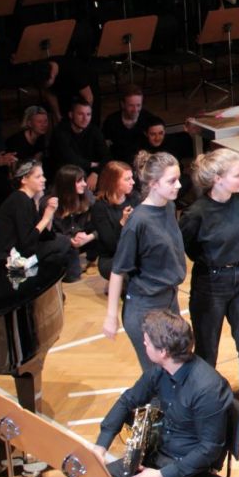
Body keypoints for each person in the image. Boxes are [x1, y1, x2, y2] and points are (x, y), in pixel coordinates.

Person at [74, 309, 233, 477]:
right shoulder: (160, 370)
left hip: (191, 476)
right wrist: (101, 446)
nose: (144, 344)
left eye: (147, 342)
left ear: (164, 351)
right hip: (155, 459)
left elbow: (209, 450)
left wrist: (161, 476)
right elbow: (127, 400)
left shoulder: (208, 389)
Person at [180, 149, 239, 426]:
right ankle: (207, 404)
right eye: (237, 175)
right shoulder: (196, 213)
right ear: (217, 179)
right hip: (210, 284)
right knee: (208, 349)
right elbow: (189, 247)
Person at [102, 152, 186, 369]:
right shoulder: (138, 222)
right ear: (153, 184)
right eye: (171, 181)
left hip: (168, 299)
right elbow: (118, 270)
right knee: (158, 376)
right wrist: (111, 316)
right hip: (146, 306)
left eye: (178, 179)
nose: (178, 185)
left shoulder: (168, 206)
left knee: (177, 368)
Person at [0, 159, 81, 282]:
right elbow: (27, 242)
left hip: (20, 249)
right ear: (24, 179)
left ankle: (50, 282)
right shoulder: (19, 200)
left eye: (43, 175)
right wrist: (46, 217)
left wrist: (49, 212)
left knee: (61, 243)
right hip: (9, 255)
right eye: (38, 177)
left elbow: (45, 235)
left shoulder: (27, 200)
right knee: (62, 243)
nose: (44, 179)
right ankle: (38, 281)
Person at [91, 161, 138, 280]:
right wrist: (122, 222)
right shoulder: (100, 207)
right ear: (114, 182)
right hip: (112, 257)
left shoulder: (134, 198)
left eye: (132, 178)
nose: (133, 182)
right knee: (132, 270)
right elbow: (111, 245)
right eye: (127, 179)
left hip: (135, 251)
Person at [50, 97, 109, 191]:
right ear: (71, 115)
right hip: (67, 176)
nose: (85, 118)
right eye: (80, 114)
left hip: (89, 175)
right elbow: (70, 159)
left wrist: (95, 173)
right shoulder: (60, 132)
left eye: (88, 114)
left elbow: (106, 156)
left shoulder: (94, 130)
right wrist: (91, 164)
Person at [49, 164, 98, 263]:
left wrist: (88, 237)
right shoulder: (51, 202)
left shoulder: (87, 197)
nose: (85, 184)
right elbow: (50, 234)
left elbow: (102, 223)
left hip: (84, 240)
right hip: (62, 246)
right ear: (67, 184)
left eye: (84, 180)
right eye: (79, 181)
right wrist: (68, 239)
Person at [101, 85, 158, 165]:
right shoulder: (111, 121)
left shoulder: (148, 119)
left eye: (138, 105)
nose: (135, 110)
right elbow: (104, 148)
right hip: (119, 165)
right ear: (123, 104)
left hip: (144, 165)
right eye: (131, 105)